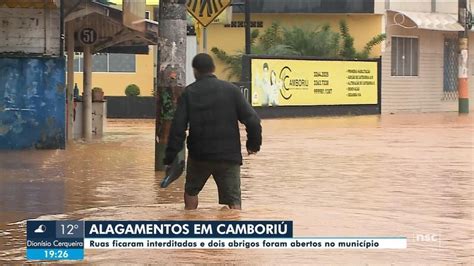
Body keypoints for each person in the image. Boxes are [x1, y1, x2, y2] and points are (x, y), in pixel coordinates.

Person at [163, 53, 262, 210]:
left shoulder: (189, 93)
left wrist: (169, 158)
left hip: (199, 157)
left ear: (195, 71)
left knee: (191, 192)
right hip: (229, 157)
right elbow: (253, 121)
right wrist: (253, 145)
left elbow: (177, 129)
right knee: (233, 202)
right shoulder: (232, 91)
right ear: (213, 69)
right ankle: (235, 231)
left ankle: (190, 223)